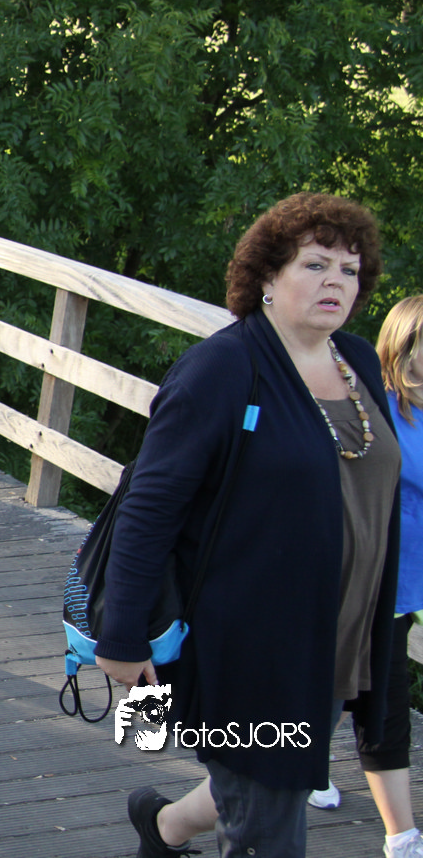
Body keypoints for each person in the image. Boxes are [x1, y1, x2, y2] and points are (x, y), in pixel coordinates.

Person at [97, 192, 400, 858]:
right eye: (314, 264)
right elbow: (149, 506)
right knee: (267, 811)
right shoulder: (224, 368)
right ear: (266, 275)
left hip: (335, 642)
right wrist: (121, 634)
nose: (335, 282)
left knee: (267, 778)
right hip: (249, 647)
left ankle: (163, 827)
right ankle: (171, 826)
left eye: (349, 270)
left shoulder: (356, 361)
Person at [299, 297, 423, 858]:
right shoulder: (375, 406)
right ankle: (401, 836)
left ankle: (306, 767)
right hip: (369, 578)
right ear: (403, 346)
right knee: (375, 695)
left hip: (409, 583)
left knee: (351, 684)